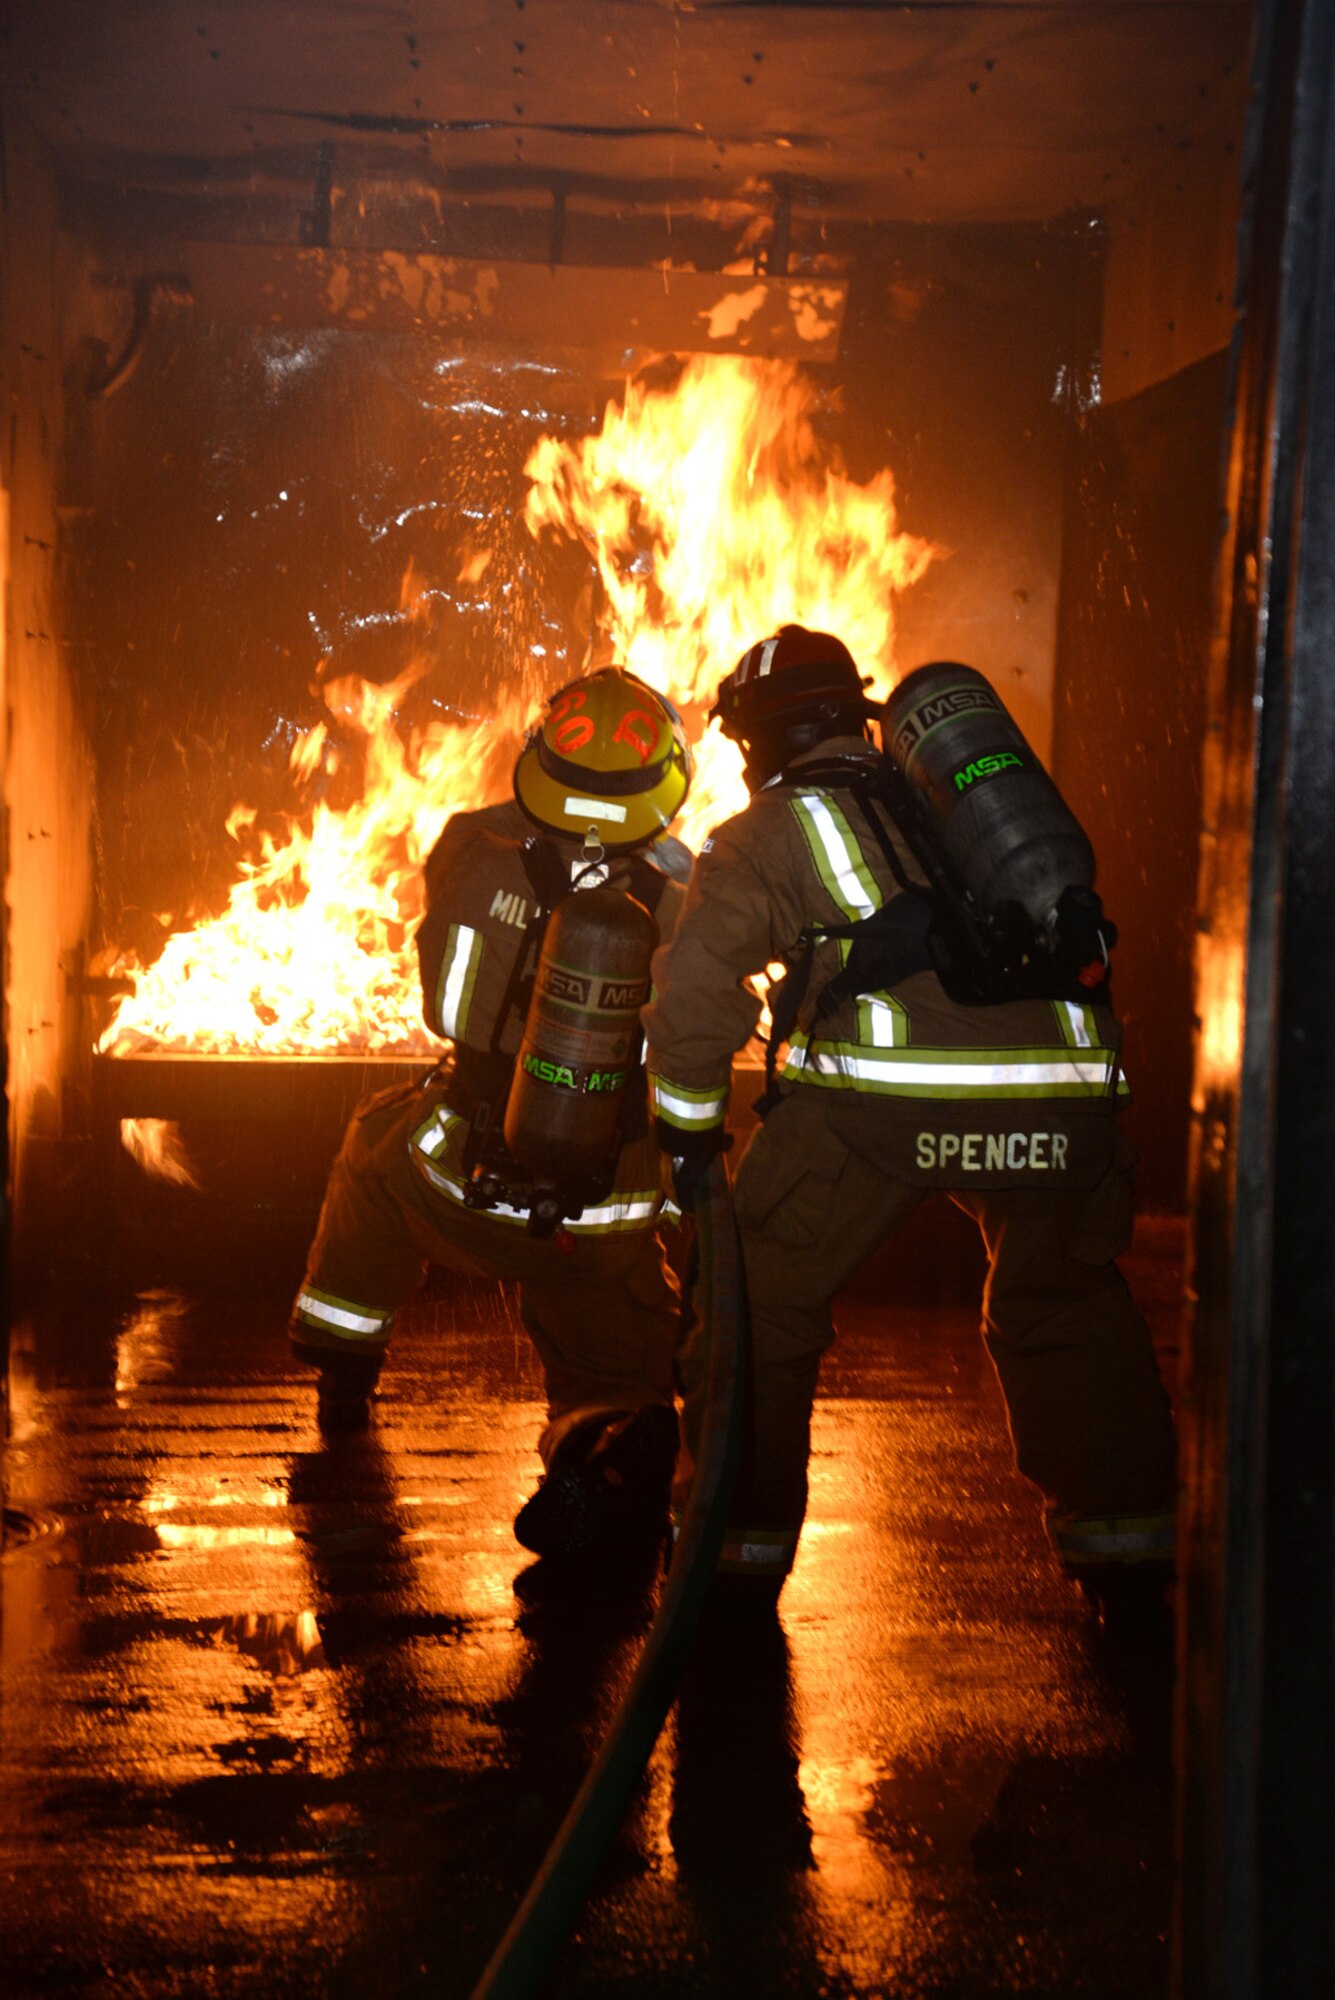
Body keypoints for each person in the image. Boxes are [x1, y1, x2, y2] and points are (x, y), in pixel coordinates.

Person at [643, 625, 1177, 1610]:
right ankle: (1130, 1549)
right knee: (1062, 1296)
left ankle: (735, 1563)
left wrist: (688, 1138)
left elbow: (696, 999)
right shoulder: (976, 816)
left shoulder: (764, 831)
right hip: (1066, 1099)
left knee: (755, 1299)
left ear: (759, 738)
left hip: (882, 1106)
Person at [290, 666, 694, 1567]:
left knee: (371, 1149)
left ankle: (343, 1371)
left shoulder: (468, 846)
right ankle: (602, 1437)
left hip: (459, 1181)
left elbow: (446, 1000)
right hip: (605, 1216)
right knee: (615, 1362)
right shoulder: (691, 890)